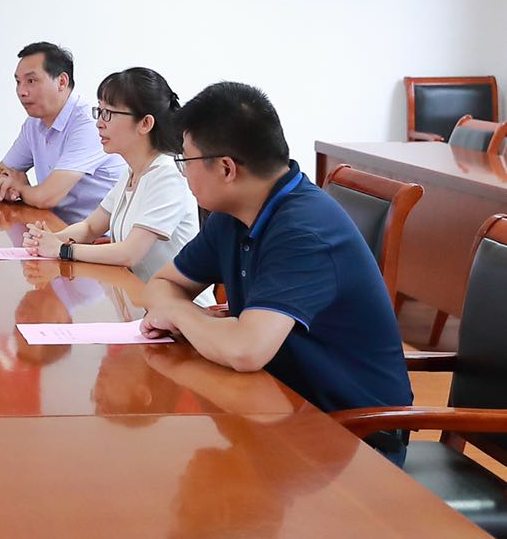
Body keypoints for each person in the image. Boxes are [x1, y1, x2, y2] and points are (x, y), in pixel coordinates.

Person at [141, 82, 413, 461]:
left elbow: (245, 350)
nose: (184, 175)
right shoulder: (233, 214)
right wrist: (195, 317)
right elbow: (161, 284)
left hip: (353, 438)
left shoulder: (304, 230)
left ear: (226, 168)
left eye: (186, 161)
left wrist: (180, 315)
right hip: (278, 409)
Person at [23, 67, 199, 304]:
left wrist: (61, 249)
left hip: (178, 312)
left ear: (145, 123)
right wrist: (48, 239)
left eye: (109, 113)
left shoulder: (167, 175)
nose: (99, 123)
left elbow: (129, 253)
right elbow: (90, 227)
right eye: (99, 111)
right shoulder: (132, 172)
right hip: (142, 305)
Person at [0, 42, 126, 221]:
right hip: (55, 227)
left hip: (96, 234)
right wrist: (6, 188)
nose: (21, 92)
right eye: (18, 82)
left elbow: (46, 198)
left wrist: (20, 188)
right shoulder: (33, 123)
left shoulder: (88, 125)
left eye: (31, 81)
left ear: (62, 82)